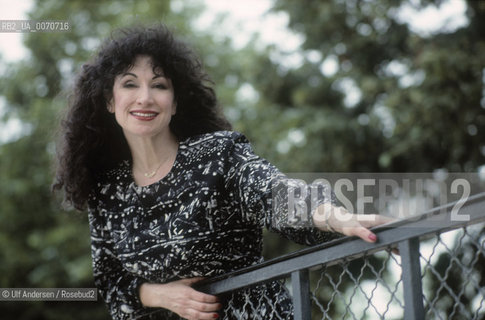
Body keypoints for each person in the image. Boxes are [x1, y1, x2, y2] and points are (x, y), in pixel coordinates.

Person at [53, 25, 391, 320]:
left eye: (159, 85)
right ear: (110, 101)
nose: (145, 98)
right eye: (129, 84)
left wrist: (332, 215)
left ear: (175, 100)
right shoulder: (107, 192)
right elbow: (111, 284)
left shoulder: (217, 155)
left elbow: (272, 192)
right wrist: (160, 295)